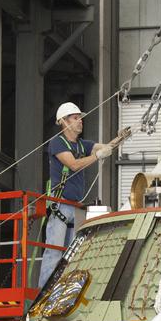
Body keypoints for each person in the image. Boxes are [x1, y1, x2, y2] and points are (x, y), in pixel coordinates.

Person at [38, 101, 111, 288]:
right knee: (54, 252)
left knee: (71, 255)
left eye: (80, 118)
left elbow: (101, 147)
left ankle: (63, 292)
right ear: (64, 121)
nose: (80, 121)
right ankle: (44, 293)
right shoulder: (57, 143)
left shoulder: (81, 145)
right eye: (75, 118)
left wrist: (119, 139)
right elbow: (74, 165)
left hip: (74, 206)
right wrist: (98, 156)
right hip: (60, 205)